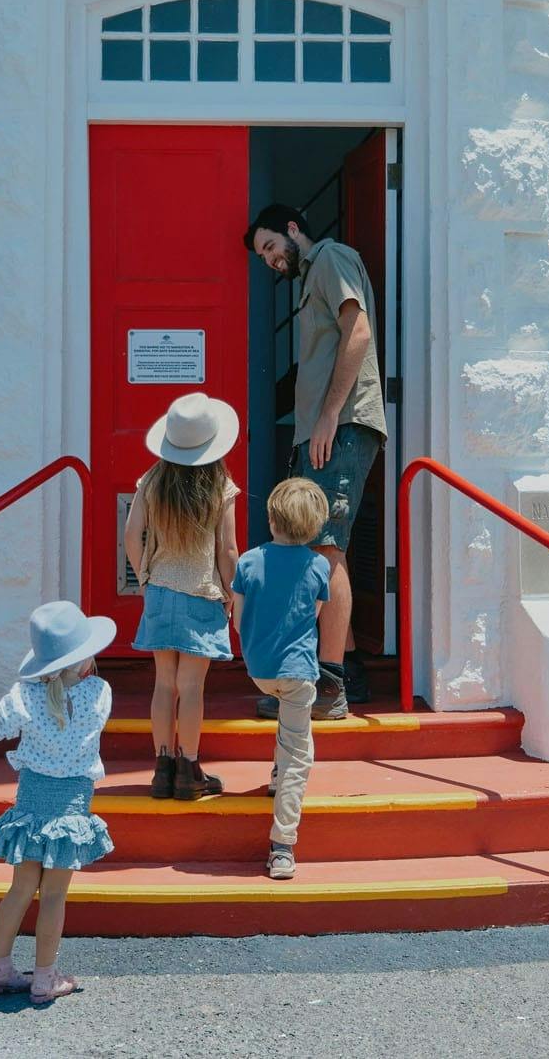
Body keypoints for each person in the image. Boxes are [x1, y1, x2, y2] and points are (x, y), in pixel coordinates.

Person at [244, 203, 388, 719]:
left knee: (326, 547)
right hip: (323, 430)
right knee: (321, 546)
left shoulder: (329, 258)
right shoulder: (312, 278)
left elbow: (360, 332)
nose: (269, 260)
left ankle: (327, 688)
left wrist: (328, 417)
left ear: (292, 229)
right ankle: (347, 670)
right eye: (263, 256)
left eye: (269, 247)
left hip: (342, 425)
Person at [0, 599, 116, 1005]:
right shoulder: (100, 693)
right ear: (85, 660)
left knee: (19, 889)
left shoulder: (24, 697)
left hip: (31, 804)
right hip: (70, 807)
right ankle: (45, 977)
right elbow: (72, 700)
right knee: (53, 895)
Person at [122, 392, 241, 801]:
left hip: (160, 592)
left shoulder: (152, 479)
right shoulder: (220, 485)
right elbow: (227, 550)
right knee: (191, 687)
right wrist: (232, 594)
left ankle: (161, 768)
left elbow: (130, 534)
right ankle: (189, 769)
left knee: (163, 684)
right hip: (201, 595)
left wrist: (145, 575)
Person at [229, 478, 331, 880]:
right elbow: (315, 614)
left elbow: (238, 620)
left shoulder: (249, 561)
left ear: (272, 518)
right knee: (298, 755)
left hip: (259, 669)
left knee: (287, 736)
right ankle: (282, 845)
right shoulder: (319, 565)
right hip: (298, 672)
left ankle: (275, 775)